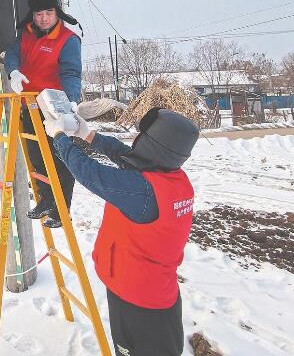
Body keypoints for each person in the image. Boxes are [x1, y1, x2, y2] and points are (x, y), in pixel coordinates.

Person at [43, 107, 199, 356]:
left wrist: (60, 137)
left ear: (153, 145)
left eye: (142, 136)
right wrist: (88, 134)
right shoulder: (171, 179)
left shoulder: (143, 192)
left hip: (137, 302)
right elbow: (126, 155)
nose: (136, 139)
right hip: (154, 293)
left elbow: (90, 173)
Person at [4, 0, 82, 228]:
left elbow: (71, 72)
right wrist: (13, 71)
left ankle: (62, 210)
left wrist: (72, 99)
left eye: (49, 12)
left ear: (57, 12)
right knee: (37, 157)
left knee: (59, 159)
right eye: (39, 14)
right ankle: (46, 200)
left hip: (55, 109)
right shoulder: (26, 33)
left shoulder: (68, 40)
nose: (44, 18)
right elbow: (12, 53)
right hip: (30, 106)